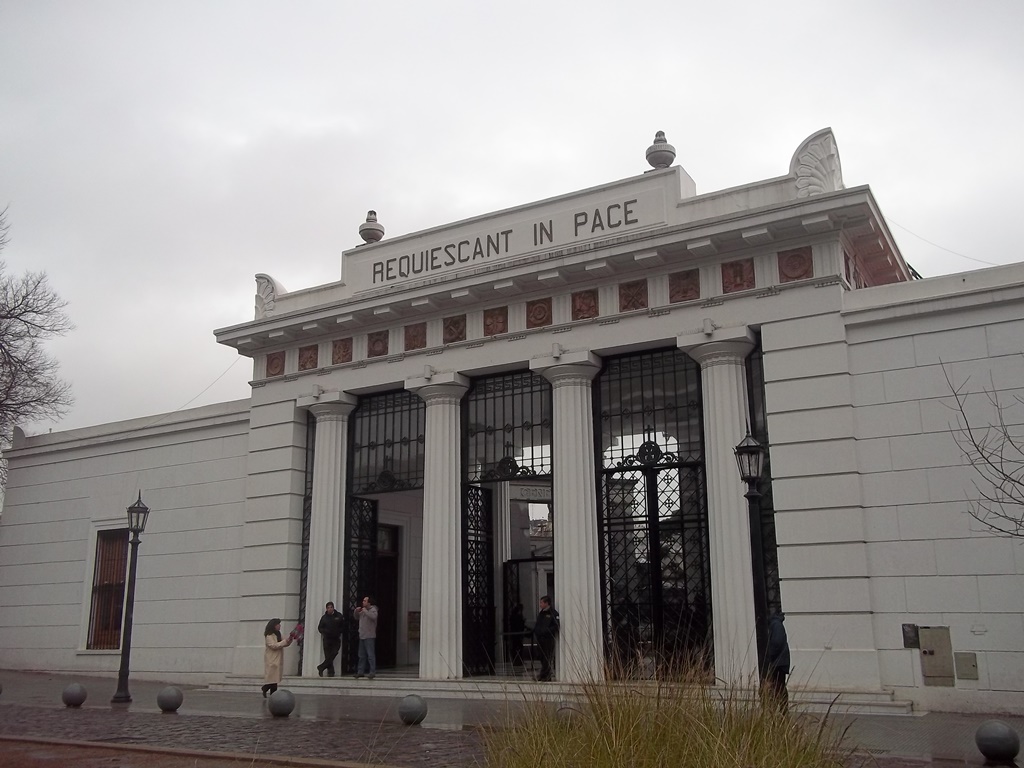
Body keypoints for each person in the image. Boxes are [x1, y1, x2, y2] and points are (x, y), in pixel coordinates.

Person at [763, 611, 791, 710]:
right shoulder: (776, 624)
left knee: (778, 685)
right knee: (779, 685)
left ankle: (779, 708)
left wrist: (771, 654)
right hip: (781, 661)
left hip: (779, 662)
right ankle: (781, 708)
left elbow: (777, 642)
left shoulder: (775, 624)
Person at [261, 618, 293, 698]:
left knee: (275, 678)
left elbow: (283, 643)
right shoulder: (269, 635)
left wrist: (289, 640)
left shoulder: (278, 633)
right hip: (271, 658)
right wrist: (284, 641)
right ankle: (269, 691)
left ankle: (269, 692)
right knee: (272, 678)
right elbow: (274, 645)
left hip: (278, 657)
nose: (279, 626)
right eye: (278, 624)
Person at [533, 595, 559, 682]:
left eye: (541, 602)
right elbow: (538, 624)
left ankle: (544, 675)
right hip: (540, 639)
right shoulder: (541, 613)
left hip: (548, 639)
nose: (540, 604)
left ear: (546, 603)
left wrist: (546, 631)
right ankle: (545, 675)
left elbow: (556, 626)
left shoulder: (553, 613)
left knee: (547, 657)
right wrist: (536, 631)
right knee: (541, 656)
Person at [316, 601, 345, 677]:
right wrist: (325, 632)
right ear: (326, 609)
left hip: (336, 639)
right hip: (327, 639)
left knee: (334, 653)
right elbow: (320, 628)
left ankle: (321, 667)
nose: (330, 609)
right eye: (328, 608)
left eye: (331, 607)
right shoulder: (324, 618)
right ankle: (331, 672)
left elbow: (343, 626)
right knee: (328, 656)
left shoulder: (339, 616)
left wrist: (339, 631)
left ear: (333, 608)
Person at [353, 595, 378, 679]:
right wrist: (356, 611)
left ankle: (372, 672)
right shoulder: (362, 611)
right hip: (362, 635)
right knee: (361, 655)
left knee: (370, 655)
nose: (363, 602)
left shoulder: (373, 610)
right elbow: (356, 617)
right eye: (363, 600)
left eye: (365, 601)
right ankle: (360, 671)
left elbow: (373, 617)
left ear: (369, 602)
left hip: (369, 636)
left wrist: (365, 612)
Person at [507, 603, 526, 668]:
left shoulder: (513, 616)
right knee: (518, 647)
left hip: (514, 634)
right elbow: (519, 625)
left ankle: (516, 660)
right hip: (517, 634)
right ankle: (518, 660)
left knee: (515, 647)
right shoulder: (517, 616)